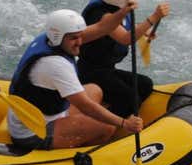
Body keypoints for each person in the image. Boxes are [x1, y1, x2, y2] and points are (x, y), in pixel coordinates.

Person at [8, 9, 146, 150]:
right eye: (74, 38)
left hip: (46, 115)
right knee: (107, 127)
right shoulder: (55, 64)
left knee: (94, 90)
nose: (80, 42)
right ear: (58, 37)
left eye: (80, 36)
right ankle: (83, 154)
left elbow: (102, 27)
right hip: (33, 132)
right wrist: (124, 123)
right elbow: (86, 106)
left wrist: (124, 10)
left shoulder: (50, 39)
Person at [77, 0, 170, 118]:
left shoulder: (110, 1)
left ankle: (111, 108)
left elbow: (123, 28)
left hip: (106, 69)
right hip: (91, 73)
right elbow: (125, 38)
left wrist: (143, 30)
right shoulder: (102, 15)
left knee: (145, 85)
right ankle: (108, 124)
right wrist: (154, 17)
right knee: (131, 99)